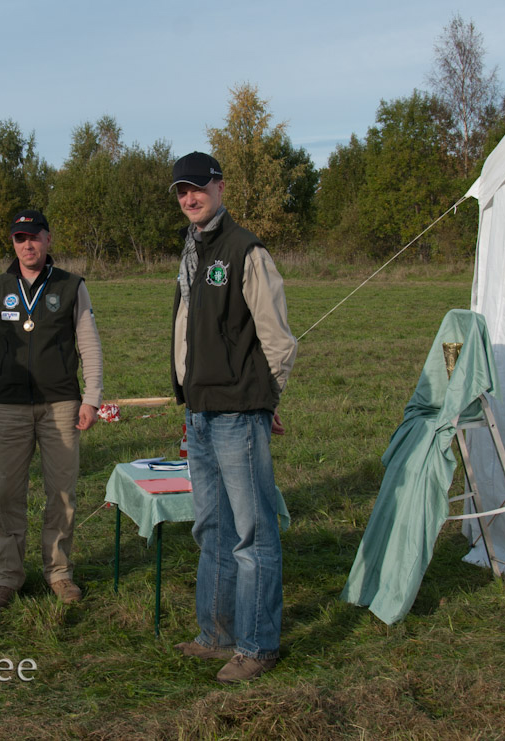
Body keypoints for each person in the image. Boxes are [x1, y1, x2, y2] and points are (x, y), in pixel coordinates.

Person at [167, 152, 297, 684]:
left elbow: (278, 338)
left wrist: (265, 400)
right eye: (181, 191)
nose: (190, 198)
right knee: (212, 528)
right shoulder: (192, 251)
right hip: (199, 414)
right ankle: (216, 633)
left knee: (252, 533)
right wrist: (186, 395)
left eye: (198, 188)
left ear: (219, 187)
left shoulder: (246, 250)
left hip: (237, 415)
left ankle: (258, 644)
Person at [0, 209, 103, 613]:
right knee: (7, 494)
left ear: (48, 240)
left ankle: (59, 573)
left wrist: (91, 397)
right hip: (9, 407)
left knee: (61, 493)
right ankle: (8, 578)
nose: (27, 245)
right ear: (12, 243)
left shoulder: (71, 285)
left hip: (61, 405)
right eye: (19, 238)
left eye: (34, 237)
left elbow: (90, 345)